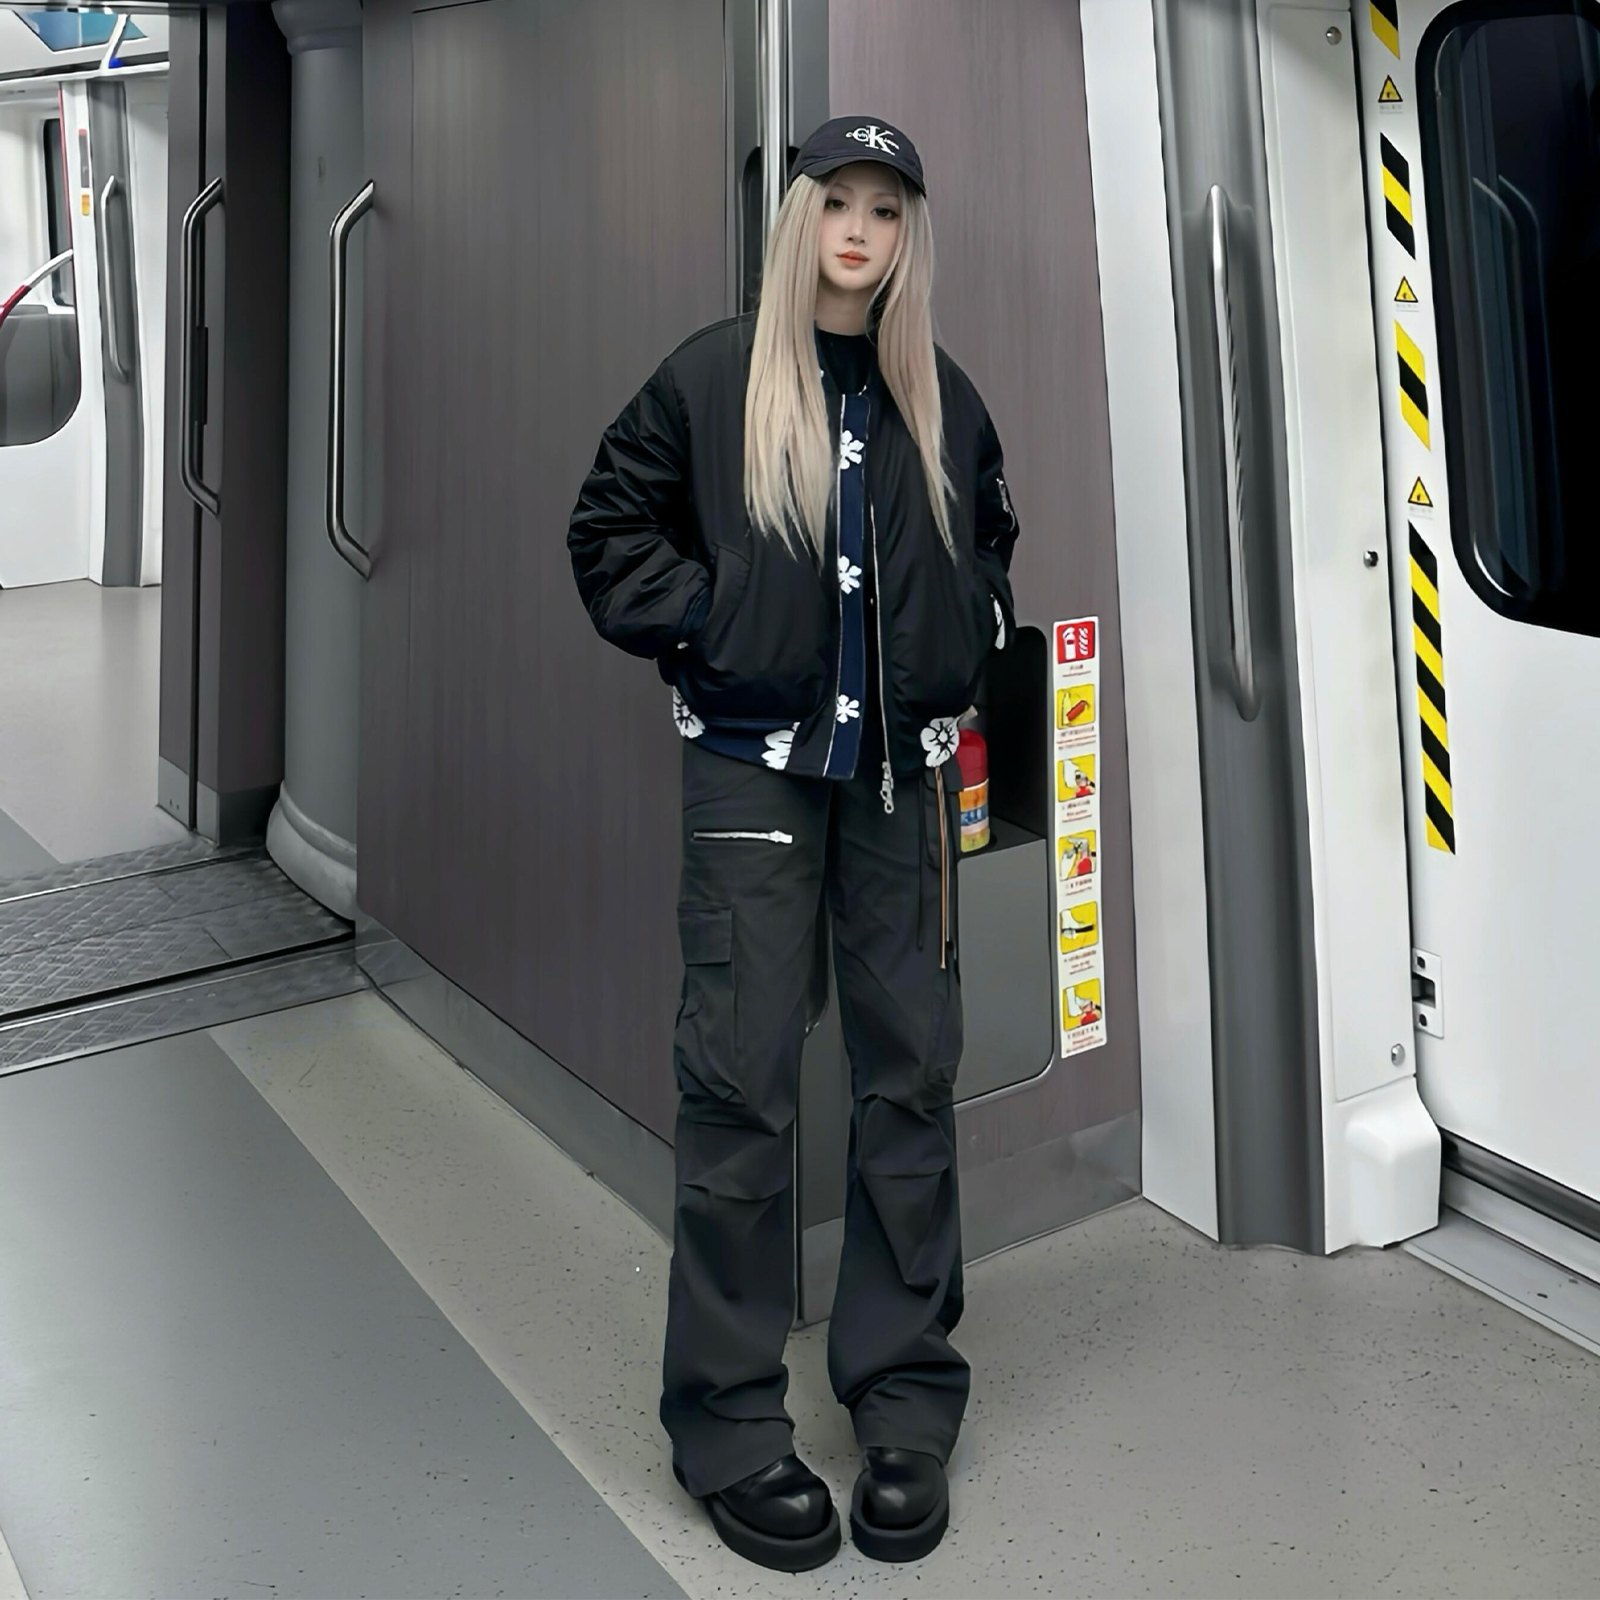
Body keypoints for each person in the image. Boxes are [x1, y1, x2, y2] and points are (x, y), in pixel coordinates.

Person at [568, 115, 1019, 1572]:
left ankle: (904, 1398)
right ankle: (727, 1424)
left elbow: (991, 543)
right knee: (741, 1084)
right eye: (839, 203)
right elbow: (607, 532)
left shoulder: (938, 394)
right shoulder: (712, 380)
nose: (860, 231)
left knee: (910, 1074)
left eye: (887, 209)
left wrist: (967, 635)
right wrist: (715, 623)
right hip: (754, 779)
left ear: (908, 237)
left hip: (899, 789)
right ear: (800, 219)